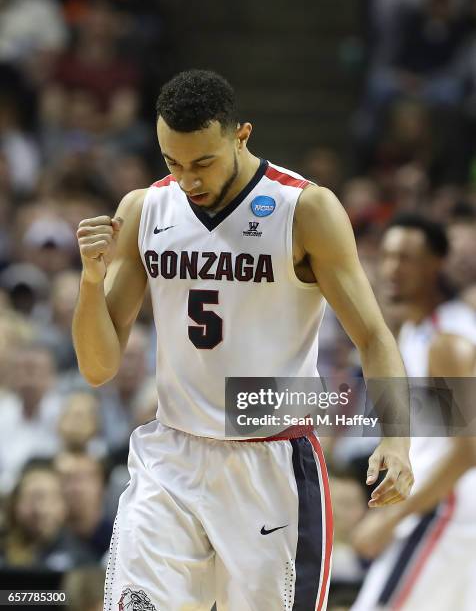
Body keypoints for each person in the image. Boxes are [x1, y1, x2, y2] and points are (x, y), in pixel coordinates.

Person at [72, 70, 413, 610]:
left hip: (270, 463)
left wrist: (397, 439)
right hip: (171, 456)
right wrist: (91, 281)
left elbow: (373, 334)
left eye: (202, 162)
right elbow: (97, 367)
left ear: (242, 135)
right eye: (172, 162)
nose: (187, 179)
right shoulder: (143, 209)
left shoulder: (305, 209)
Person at [351, 214, 476, 611]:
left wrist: (390, 519)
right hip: (434, 506)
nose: (391, 268)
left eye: (406, 258)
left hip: (447, 511)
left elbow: (469, 448)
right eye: (387, 255)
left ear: (436, 262)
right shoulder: (412, 330)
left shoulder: (449, 341)